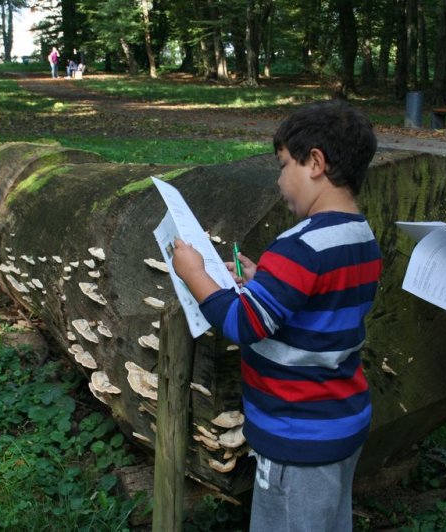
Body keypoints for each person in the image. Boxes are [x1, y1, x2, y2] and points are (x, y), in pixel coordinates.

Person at [172, 100, 382, 531]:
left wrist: (194, 274)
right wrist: (262, 280)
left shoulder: (299, 246)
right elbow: (320, 301)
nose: (280, 180)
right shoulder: (360, 235)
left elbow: (243, 324)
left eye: (284, 165)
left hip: (298, 434)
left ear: (316, 163)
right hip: (341, 421)